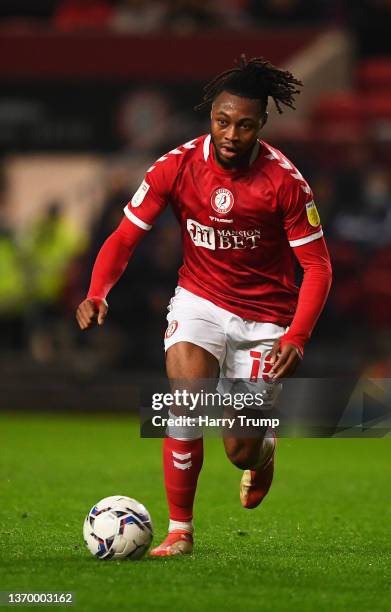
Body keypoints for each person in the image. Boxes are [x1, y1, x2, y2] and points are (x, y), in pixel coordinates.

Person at [76, 56, 332, 556]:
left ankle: (262, 453)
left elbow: (319, 268)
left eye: (244, 125)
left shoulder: (286, 183)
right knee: (186, 401)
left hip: (265, 318)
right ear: (210, 117)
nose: (231, 134)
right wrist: (97, 290)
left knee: (238, 449)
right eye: (221, 121)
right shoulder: (177, 166)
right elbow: (125, 237)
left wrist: (296, 337)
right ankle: (180, 531)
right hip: (201, 301)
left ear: (261, 125)